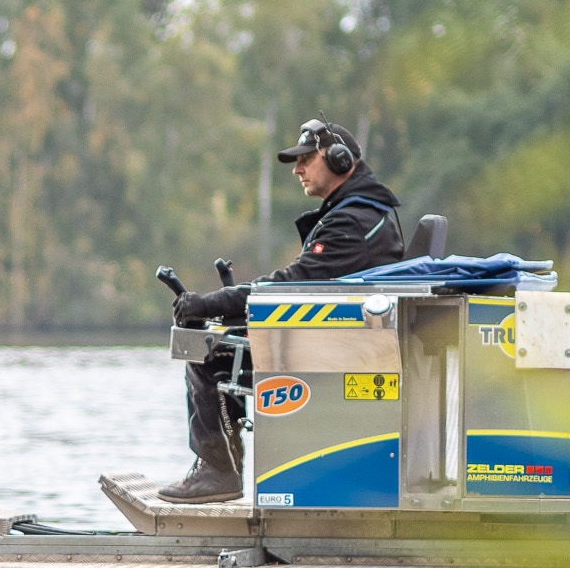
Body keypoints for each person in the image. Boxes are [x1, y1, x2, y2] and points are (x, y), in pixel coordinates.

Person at [161, 117, 404, 503]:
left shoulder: (350, 224)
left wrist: (210, 304)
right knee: (230, 337)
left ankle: (217, 472)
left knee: (206, 350)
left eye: (307, 158)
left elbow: (289, 285)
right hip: (348, 343)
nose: (298, 169)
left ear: (340, 160)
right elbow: (301, 289)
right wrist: (238, 309)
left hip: (341, 354)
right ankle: (221, 469)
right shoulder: (364, 215)